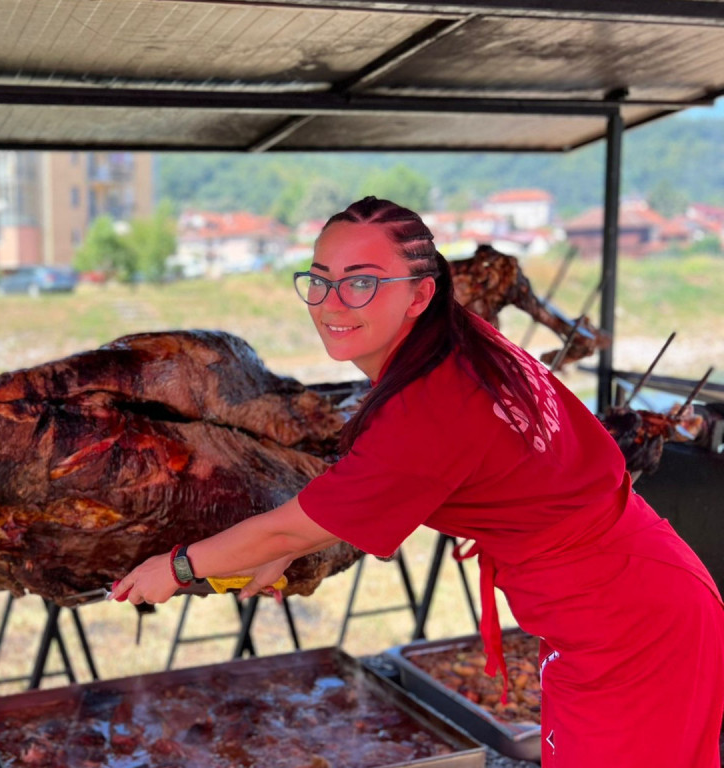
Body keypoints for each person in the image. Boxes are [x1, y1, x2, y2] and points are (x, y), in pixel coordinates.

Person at [111, 196, 724, 767]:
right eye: (320, 278)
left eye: (362, 282)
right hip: (640, 589)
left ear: (420, 293)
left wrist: (180, 567)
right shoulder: (459, 339)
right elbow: (313, 522)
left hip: (628, 625)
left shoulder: (430, 407)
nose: (331, 301)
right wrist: (281, 548)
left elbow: (285, 528)